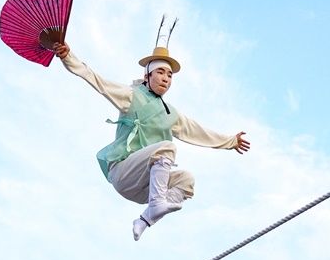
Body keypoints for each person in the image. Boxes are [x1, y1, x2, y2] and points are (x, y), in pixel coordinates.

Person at [53, 37, 251, 241]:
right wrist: (68, 57)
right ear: (147, 75)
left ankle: (146, 219)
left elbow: (196, 131)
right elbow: (97, 80)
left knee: (187, 180)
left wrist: (231, 142)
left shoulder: (170, 113)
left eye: (170, 75)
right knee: (166, 148)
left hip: (145, 187)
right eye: (160, 72)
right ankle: (157, 204)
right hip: (123, 173)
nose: (166, 78)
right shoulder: (131, 95)